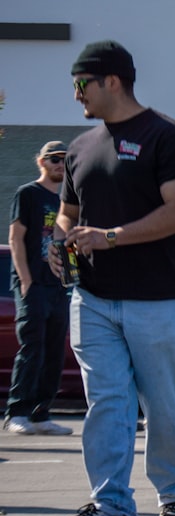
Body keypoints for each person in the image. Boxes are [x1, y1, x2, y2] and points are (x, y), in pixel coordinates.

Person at [44, 40, 175, 516]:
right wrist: (58, 237)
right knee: (107, 402)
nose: (75, 95)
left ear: (112, 80)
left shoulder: (165, 135)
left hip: (156, 299)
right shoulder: (81, 147)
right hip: (90, 298)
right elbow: (68, 212)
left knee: (163, 403)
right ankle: (110, 509)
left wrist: (111, 237)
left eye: (80, 84)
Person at [4, 141, 73, 436]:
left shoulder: (67, 201)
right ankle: (16, 412)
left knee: (55, 351)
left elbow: (67, 242)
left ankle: (41, 414)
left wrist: (69, 280)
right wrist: (26, 280)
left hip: (57, 286)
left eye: (65, 160)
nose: (60, 164)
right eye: (54, 159)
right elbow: (15, 238)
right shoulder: (28, 194)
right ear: (41, 162)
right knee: (33, 347)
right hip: (32, 285)